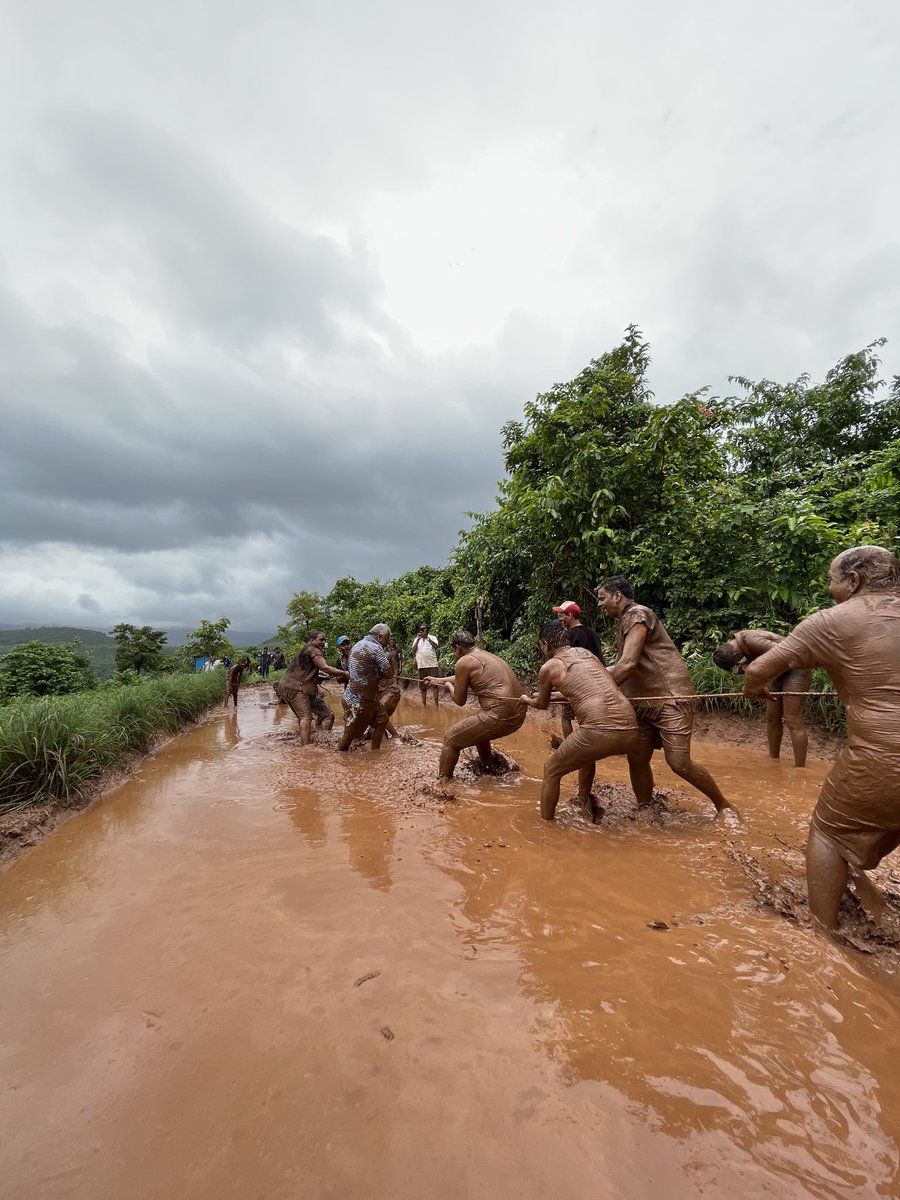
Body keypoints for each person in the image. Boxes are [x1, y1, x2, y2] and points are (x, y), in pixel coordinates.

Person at [742, 546, 900, 932]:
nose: (830, 589)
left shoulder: (831, 621)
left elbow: (758, 670)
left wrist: (754, 692)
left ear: (854, 580)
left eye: (832, 580)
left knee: (828, 831)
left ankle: (823, 939)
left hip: (884, 754)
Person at [595, 575, 737, 819]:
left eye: (602, 598)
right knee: (637, 757)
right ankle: (646, 809)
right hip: (642, 703)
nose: (599, 604)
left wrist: (595, 689)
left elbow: (627, 665)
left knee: (679, 762)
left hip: (671, 699)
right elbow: (621, 667)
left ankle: (724, 805)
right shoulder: (627, 620)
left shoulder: (637, 614)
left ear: (617, 596)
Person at [522, 621, 638, 821]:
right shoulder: (587, 655)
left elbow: (541, 704)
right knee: (585, 755)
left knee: (551, 769)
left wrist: (526, 700)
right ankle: (583, 798)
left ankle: (546, 827)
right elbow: (586, 687)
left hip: (599, 730)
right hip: (630, 727)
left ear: (545, 644)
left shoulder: (549, 667)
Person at [425, 630, 525, 781]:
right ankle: (488, 772)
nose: (454, 654)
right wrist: (438, 680)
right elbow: (461, 676)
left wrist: (448, 687)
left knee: (450, 738)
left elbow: (460, 700)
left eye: (453, 651)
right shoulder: (484, 655)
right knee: (478, 730)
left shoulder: (464, 661)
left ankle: (443, 784)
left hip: (500, 715)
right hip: (519, 713)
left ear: (458, 648)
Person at [713, 630, 811, 766]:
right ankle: (773, 760)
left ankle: (800, 769)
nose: (739, 661)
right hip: (778, 672)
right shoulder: (741, 643)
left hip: (796, 669)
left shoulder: (752, 640)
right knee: (772, 718)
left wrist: (748, 666)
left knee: (792, 719)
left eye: (737, 660)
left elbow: (784, 656)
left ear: (735, 654)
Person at [275, 632, 349, 745]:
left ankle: (320, 737)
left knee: (326, 714)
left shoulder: (302, 650)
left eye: (325, 640)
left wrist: (321, 676)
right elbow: (324, 667)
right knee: (306, 717)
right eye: (321, 639)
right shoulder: (314, 650)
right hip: (298, 689)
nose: (323, 642)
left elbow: (302, 671)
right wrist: (344, 673)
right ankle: (306, 748)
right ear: (312, 640)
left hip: (286, 687)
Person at [551, 600, 605, 738]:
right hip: (601, 680)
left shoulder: (571, 636)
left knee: (566, 717)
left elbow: (569, 663)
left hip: (581, 684)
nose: (560, 620)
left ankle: (571, 747)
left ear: (569, 615)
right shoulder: (591, 632)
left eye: (561, 616)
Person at [338, 624, 395, 752]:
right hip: (359, 701)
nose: (386, 642)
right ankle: (340, 756)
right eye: (386, 639)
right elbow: (389, 673)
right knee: (349, 733)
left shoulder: (357, 645)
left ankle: (375, 752)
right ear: (380, 637)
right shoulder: (376, 648)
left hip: (363, 698)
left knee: (382, 720)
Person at [412, 623, 440, 706]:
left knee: (435, 685)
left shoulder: (432, 637)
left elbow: (436, 646)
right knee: (422, 687)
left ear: (428, 630)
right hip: (421, 665)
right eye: (421, 630)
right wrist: (417, 639)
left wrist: (427, 638)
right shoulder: (416, 639)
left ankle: (436, 704)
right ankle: (424, 705)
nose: (422, 631)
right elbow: (413, 651)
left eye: (424, 629)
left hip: (432, 665)